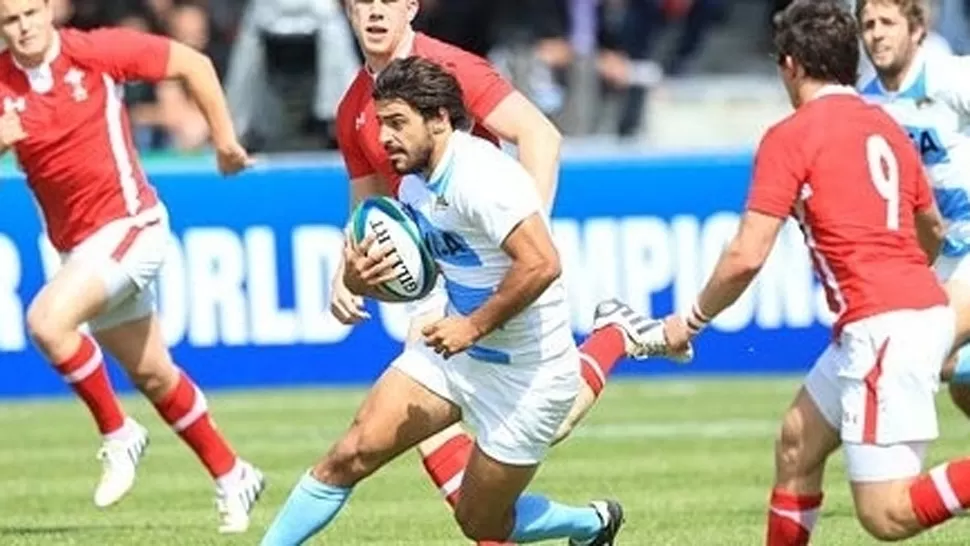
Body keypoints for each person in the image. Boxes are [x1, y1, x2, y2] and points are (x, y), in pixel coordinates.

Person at [330, 2, 684, 544]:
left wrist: (525, 230)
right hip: (438, 269)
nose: (375, 11)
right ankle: (543, 523)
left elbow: (539, 134)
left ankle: (614, 338)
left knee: (549, 422)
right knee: (424, 433)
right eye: (363, 0)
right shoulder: (354, 104)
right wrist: (345, 271)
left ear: (411, 7)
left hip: (497, 267)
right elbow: (367, 209)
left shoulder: (451, 68)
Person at [262, 56, 636, 546]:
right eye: (380, 124)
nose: (384, 138)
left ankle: (592, 523)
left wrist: (472, 327)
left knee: (480, 523)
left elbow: (542, 263)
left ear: (438, 119)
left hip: (528, 376)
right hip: (455, 358)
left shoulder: (481, 177)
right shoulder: (416, 184)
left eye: (397, 124)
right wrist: (361, 281)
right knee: (350, 453)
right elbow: (425, 273)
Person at [663, 1, 970, 543]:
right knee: (796, 442)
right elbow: (933, 230)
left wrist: (690, 320)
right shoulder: (887, 124)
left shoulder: (792, 135)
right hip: (906, 311)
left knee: (887, 515)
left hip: (883, 326)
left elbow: (746, 255)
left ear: (790, 66)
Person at [0, 0, 264, 533]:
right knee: (153, 373)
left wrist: (225, 141)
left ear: (50, 10)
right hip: (79, 247)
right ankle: (233, 473)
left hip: (131, 226)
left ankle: (119, 433)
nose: (24, 26)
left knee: (48, 323)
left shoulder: (94, 52)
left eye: (31, 13)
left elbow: (194, 64)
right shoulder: (3, 85)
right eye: (10, 19)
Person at [856, 0, 970, 424]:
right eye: (868, 25)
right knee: (959, 383)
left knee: (920, 351)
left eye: (888, 22)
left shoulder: (951, 78)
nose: (877, 34)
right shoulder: (865, 108)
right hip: (934, 256)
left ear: (917, 30)